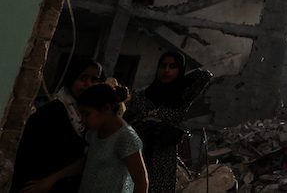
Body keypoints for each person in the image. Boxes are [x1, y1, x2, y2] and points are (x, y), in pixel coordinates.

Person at [11, 57, 103, 193]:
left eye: (94, 80)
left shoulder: (93, 117)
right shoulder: (51, 113)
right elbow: (29, 155)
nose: (88, 84)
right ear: (72, 79)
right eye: (83, 78)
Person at [125, 52, 212, 193]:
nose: (166, 70)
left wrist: (182, 80)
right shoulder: (141, 97)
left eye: (173, 67)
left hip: (163, 157)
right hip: (139, 152)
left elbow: (204, 76)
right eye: (163, 66)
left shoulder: (180, 99)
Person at [77, 81, 148, 193]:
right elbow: (87, 163)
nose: (82, 120)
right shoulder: (93, 133)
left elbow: (141, 182)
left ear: (106, 108)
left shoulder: (125, 137)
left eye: (87, 114)